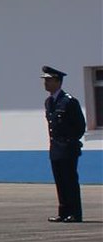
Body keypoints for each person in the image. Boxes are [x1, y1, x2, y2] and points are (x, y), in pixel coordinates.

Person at [41, 65, 86, 223]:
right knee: (60, 181)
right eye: (45, 80)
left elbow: (80, 126)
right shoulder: (49, 102)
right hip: (55, 149)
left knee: (70, 182)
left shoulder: (69, 101)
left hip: (68, 148)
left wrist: (69, 142)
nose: (45, 83)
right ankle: (63, 211)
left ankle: (75, 213)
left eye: (48, 80)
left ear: (58, 82)